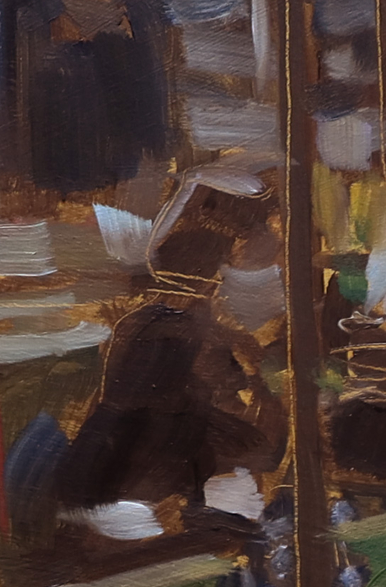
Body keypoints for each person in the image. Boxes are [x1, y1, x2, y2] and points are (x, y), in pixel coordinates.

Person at [30, 180, 286, 544]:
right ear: (206, 281)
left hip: (108, 466)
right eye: (218, 276)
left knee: (251, 457)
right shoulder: (186, 329)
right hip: (140, 474)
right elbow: (215, 399)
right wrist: (260, 383)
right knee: (262, 456)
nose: (221, 286)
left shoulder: (142, 320)